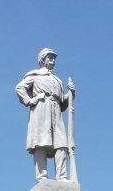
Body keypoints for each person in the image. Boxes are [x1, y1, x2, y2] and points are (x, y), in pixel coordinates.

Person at [15, 47, 76, 181]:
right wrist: (30, 100)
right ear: (42, 59)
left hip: (56, 111)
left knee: (61, 143)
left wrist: (70, 95)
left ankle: (62, 176)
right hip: (41, 108)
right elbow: (19, 88)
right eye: (50, 57)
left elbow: (62, 103)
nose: (53, 60)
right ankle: (42, 176)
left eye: (54, 58)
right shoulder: (35, 75)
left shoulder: (57, 80)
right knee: (41, 141)